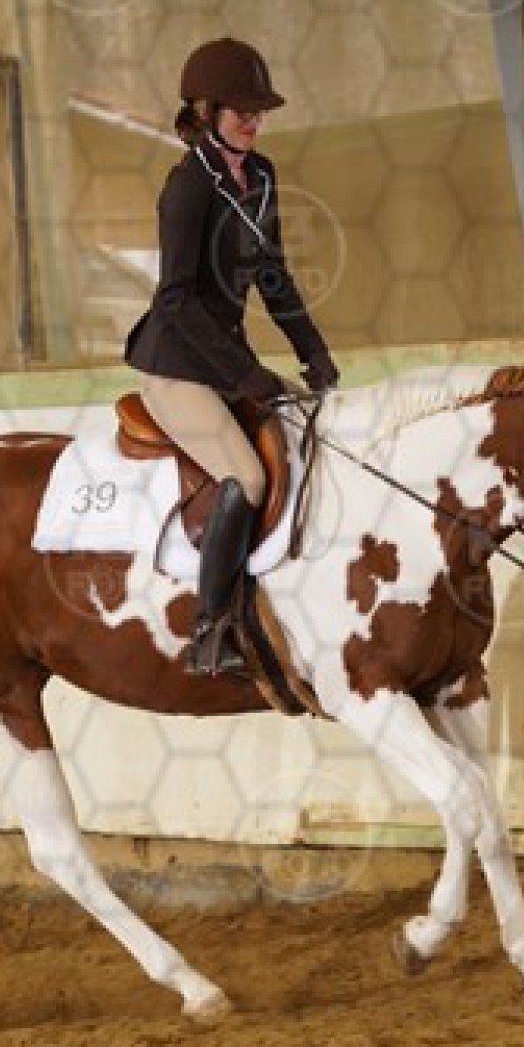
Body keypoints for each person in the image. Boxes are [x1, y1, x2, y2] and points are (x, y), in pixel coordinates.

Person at [124, 38, 340, 676]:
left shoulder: (262, 175)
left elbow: (271, 274)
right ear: (205, 109)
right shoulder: (188, 186)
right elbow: (176, 302)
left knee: (308, 443)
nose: (253, 121)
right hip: (176, 365)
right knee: (247, 478)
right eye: (241, 110)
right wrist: (247, 375)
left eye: (259, 110)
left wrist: (313, 352)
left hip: (225, 359)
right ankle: (210, 633)